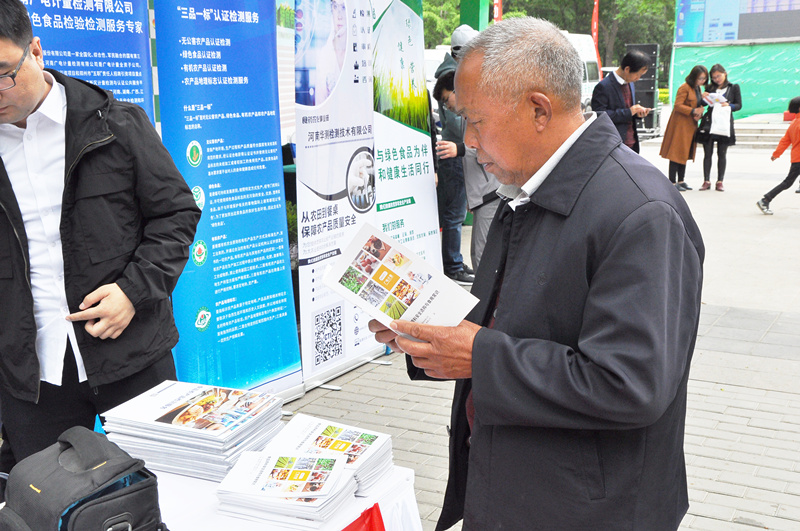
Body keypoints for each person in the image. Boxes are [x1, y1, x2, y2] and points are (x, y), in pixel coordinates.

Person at [369, 17, 704, 530]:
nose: (470, 142)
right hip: (512, 485)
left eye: (476, 121)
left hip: (589, 511)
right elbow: (507, 325)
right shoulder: (527, 191)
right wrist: (428, 332)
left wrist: (479, 355)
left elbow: (629, 383)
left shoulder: (640, 213)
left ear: (539, 109)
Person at [0, 0, 200, 473]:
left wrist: (133, 292)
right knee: (48, 500)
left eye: (4, 74)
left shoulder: (115, 125)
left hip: (131, 353)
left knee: (159, 486)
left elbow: (176, 213)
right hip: (30, 375)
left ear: (36, 50)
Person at [432, 69, 501, 269]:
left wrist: (459, 149)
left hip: (490, 193)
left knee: (482, 255)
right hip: (483, 194)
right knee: (481, 252)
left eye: (446, 99)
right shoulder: (467, 117)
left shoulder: (480, 114)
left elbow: (491, 149)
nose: (446, 106)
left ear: (458, 90)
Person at [432, 25, 477, 285]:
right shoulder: (452, 77)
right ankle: (453, 265)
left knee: (455, 212)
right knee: (454, 214)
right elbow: (458, 121)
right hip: (454, 152)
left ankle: (454, 260)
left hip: (456, 151)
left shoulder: (452, 72)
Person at [591, 49, 652, 153]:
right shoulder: (604, 86)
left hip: (631, 143)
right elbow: (599, 116)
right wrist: (629, 112)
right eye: (638, 75)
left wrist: (637, 113)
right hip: (613, 145)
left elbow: (628, 109)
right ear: (627, 69)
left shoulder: (630, 83)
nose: (638, 78)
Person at [660, 65, 708, 191]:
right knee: (676, 152)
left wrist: (701, 107)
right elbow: (678, 105)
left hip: (690, 124)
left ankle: (681, 180)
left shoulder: (697, 88)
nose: (702, 81)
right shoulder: (685, 87)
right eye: (700, 78)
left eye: (704, 79)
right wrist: (693, 111)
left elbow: (696, 103)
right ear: (694, 77)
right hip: (680, 124)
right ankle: (672, 182)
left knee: (685, 152)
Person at [696, 64, 743, 191]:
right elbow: (702, 104)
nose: (717, 79)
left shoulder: (733, 87)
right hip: (710, 123)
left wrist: (729, 105)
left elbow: (739, 105)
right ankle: (706, 180)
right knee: (707, 153)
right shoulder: (710, 88)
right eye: (714, 77)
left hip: (724, 123)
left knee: (722, 153)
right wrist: (704, 97)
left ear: (725, 73)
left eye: (719, 76)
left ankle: (720, 181)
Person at [757, 96, 800, 215]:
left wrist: (776, 154)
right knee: (787, 182)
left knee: (788, 182)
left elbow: (785, 140)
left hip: (796, 158)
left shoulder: (794, 123)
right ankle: (765, 200)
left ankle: (765, 200)